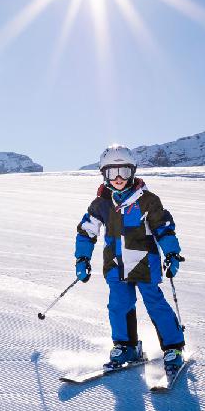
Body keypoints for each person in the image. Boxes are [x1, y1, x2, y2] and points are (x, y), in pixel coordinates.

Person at [74, 144, 186, 371]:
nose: (117, 178)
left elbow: (163, 228)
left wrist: (172, 253)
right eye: (111, 173)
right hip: (115, 265)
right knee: (118, 305)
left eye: (123, 172)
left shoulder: (147, 200)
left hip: (145, 263)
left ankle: (173, 347)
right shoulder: (101, 204)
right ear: (103, 174)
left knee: (155, 304)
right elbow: (87, 231)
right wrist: (82, 259)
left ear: (132, 172)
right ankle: (126, 346)